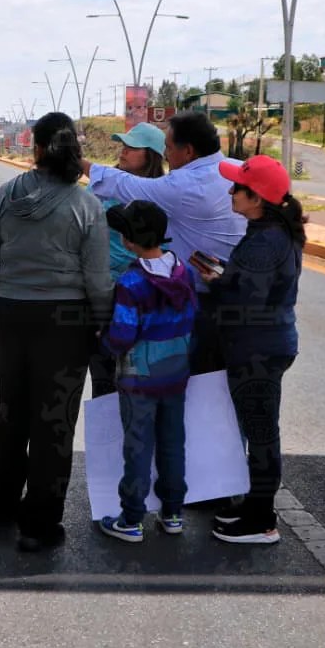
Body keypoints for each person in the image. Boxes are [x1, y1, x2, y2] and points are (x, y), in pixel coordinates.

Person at [0, 112, 113, 552]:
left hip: (11, 313)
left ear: (34, 148)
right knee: (54, 419)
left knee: (13, 409)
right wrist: (103, 323)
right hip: (66, 319)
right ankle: (39, 524)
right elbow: (97, 279)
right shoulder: (85, 205)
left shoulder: (4, 196)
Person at [192, 155, 305, 545]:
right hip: (264, 344)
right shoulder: (271, 232)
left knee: (259, 433)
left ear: (256, 198)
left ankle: (261, 519)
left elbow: (246, 303)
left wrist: (217, 284)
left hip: (256, 347)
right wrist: (227, 275)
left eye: (237, 187)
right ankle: (254, 505)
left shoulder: (266, 240)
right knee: (258, 429)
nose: (230, 191)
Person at [81, 112, 245, 375]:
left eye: (169, 147)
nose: (167, 154)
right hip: (240, 303)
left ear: (188, 150)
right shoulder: (239, 170)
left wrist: (80, 163)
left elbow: (124, 185)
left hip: (201, 306)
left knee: (192, 390)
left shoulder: (181, 185)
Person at [97, 201, 197, 543]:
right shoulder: (184, 272)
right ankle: (173, 513)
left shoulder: (131, 281)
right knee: (172, 444)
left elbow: (123, 334)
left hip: (139, 379)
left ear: (128, 239)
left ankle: (132, 519)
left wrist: (104, 344)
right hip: (176, 374)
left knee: (138, 447)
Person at [88, 123, 167, 397]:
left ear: (152, 155)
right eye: (123, 145)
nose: (124, 151)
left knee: (140, 380)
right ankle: (108, 440)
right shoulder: (103, 185)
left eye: (133, 147)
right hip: (104, 294)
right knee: (103, 379)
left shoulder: (164, 192)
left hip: (143, 297)